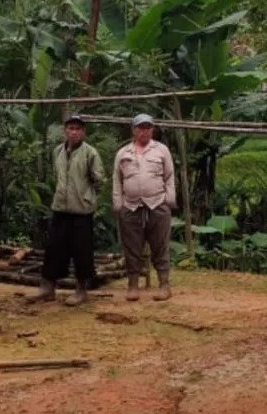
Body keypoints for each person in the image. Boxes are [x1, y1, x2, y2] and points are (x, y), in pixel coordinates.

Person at [26, 114, 105, 306]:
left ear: (84, 132)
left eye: (78, 129)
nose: (74, 132)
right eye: (71, 128)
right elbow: (57, 174)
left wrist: (86, 196)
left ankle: (81, 290)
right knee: (54, 248)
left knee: (82, 251)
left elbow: (99, 180)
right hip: (60, 208)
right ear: (65, 130)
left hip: (81, 211)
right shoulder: (58, 151)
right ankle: (47, 288)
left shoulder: (90, 153)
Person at [113, 113, 177, 302]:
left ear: (152, 130)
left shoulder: (161, 150)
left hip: (157, 204)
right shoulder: (123, 153)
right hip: (131, 207)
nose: (144, 131)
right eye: (141, 128)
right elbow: (117, 180)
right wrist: (118, 204)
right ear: (134, 130)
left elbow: (170, 176)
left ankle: (164, 285)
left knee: (160, 246)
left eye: (148, 127)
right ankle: (133, 286)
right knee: (132, 248)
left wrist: (169, 200)